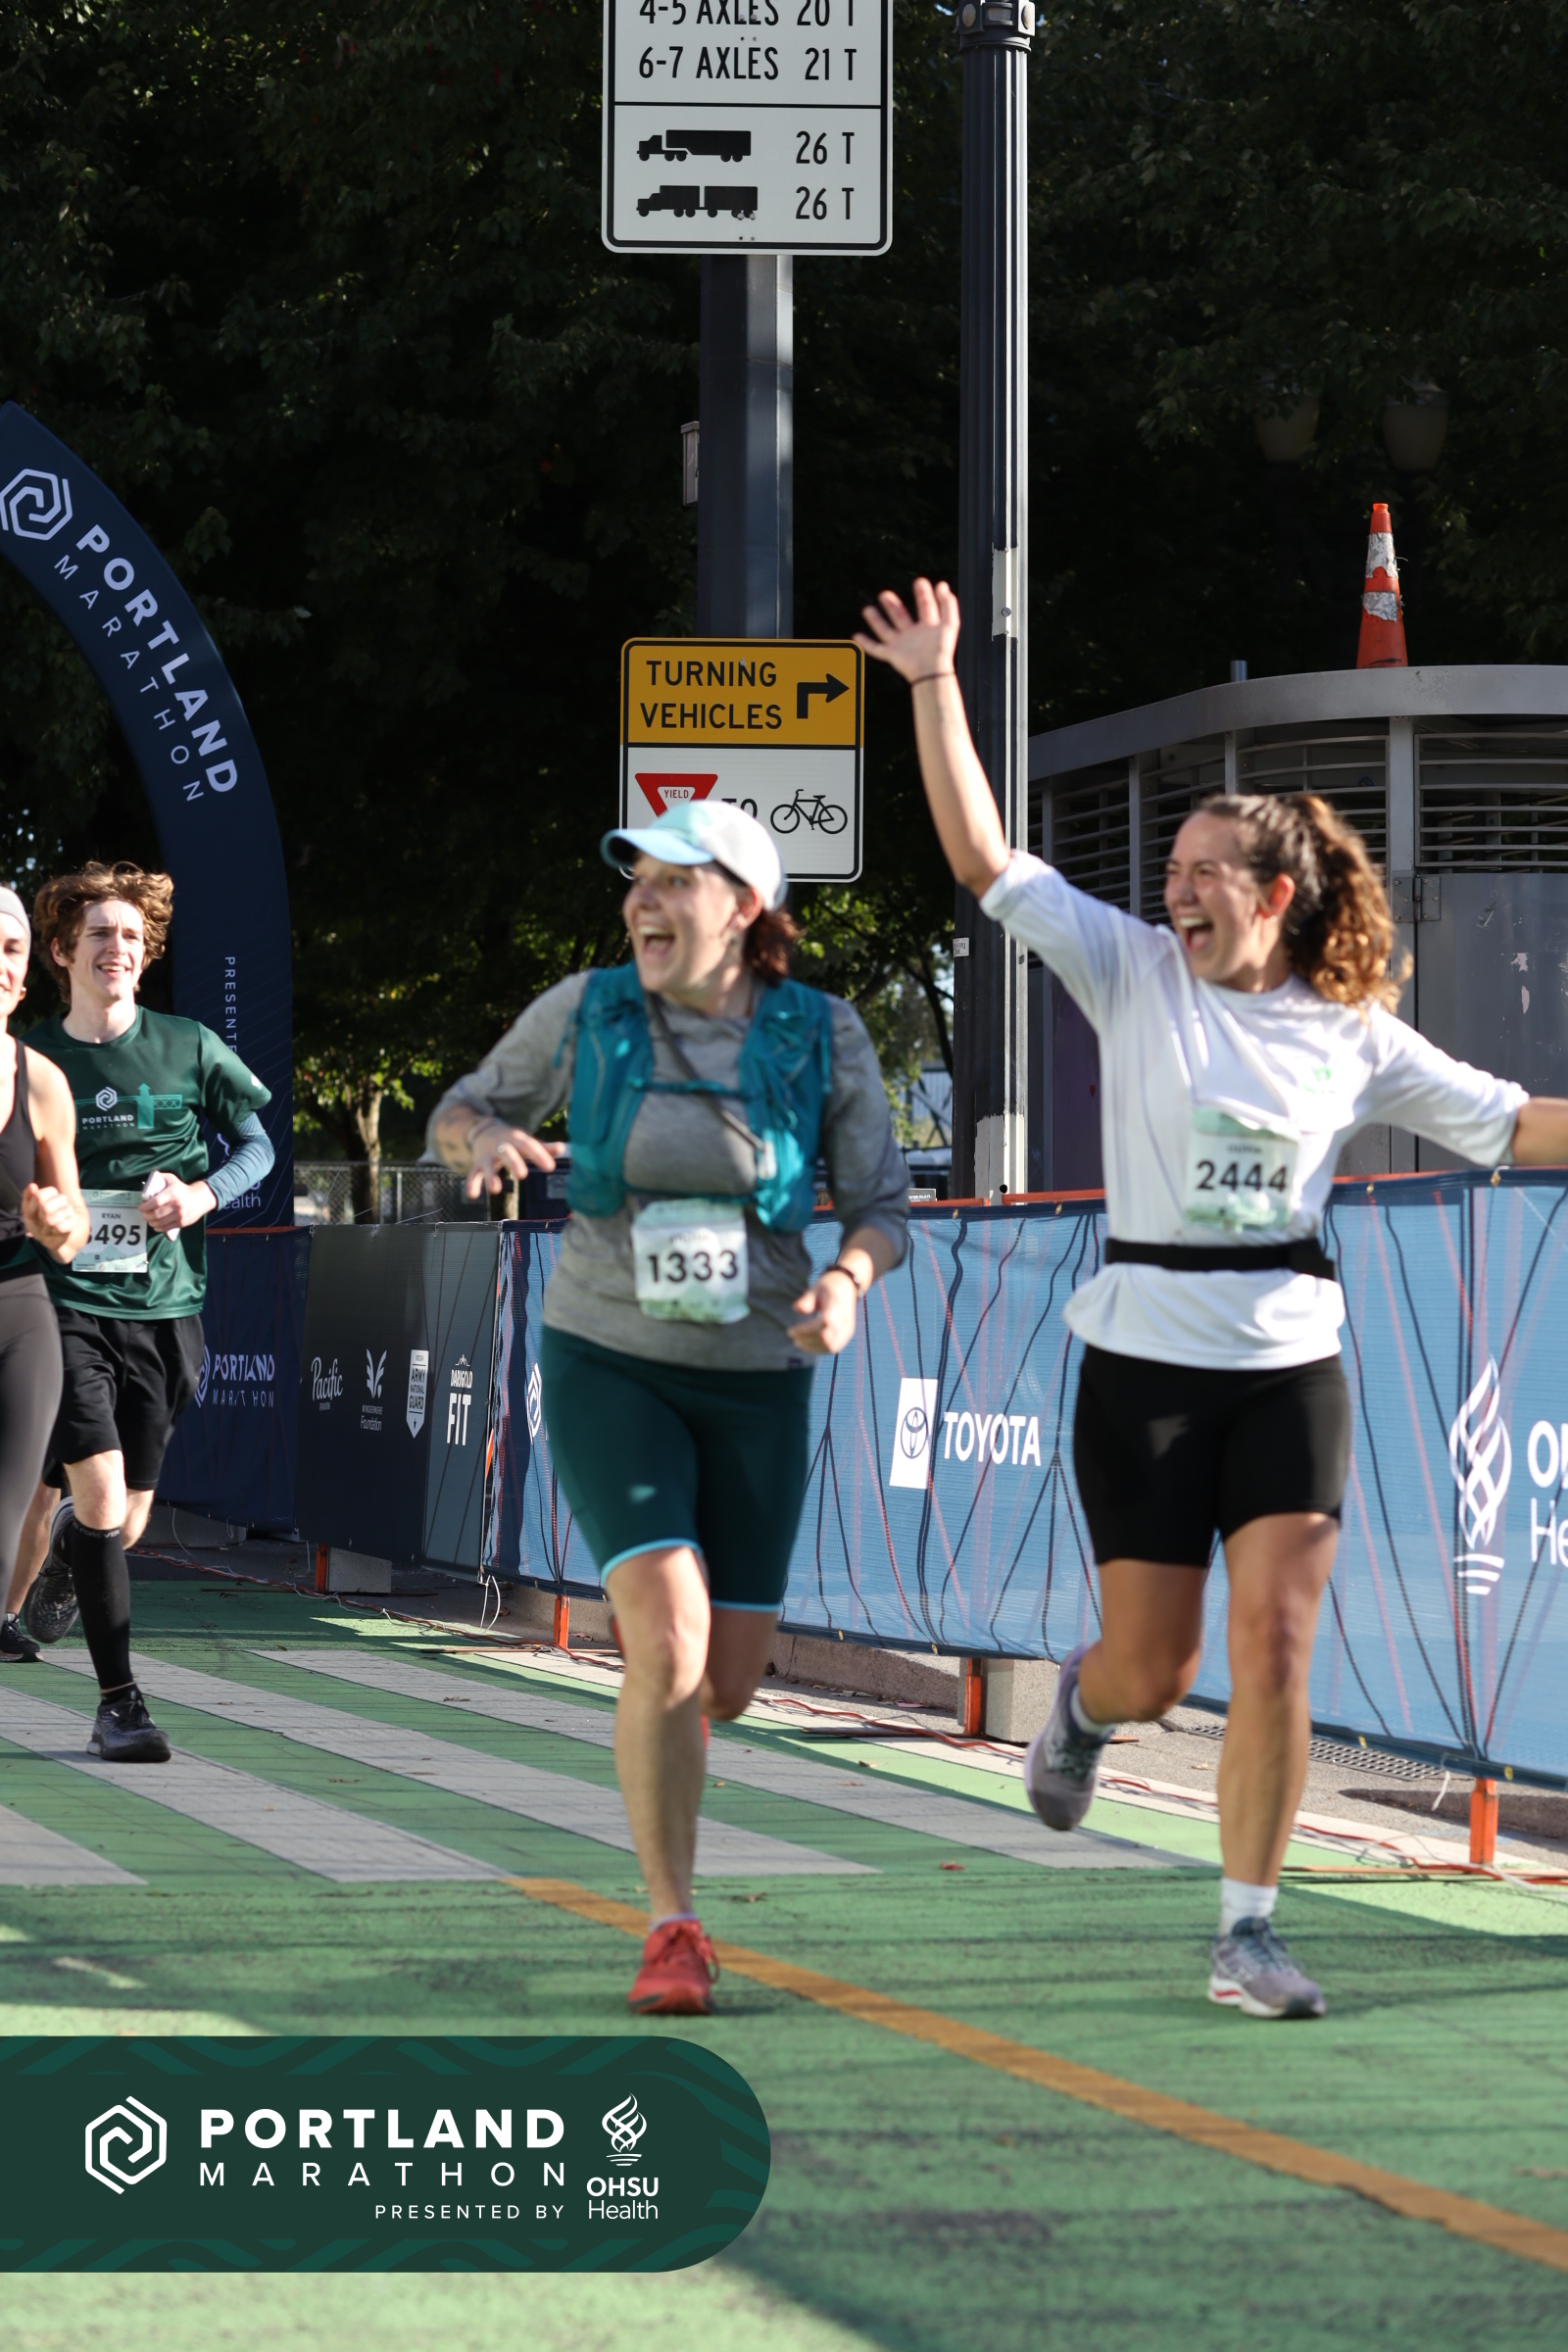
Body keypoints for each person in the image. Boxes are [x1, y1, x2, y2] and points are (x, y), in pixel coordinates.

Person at [857, 576, 1568, 2021]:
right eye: (1170, 869)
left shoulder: (1350, 1033)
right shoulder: (1129, 973)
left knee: (1277, 1646)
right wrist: (933, 682)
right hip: (1143, 1365)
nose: (1172, 889)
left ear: (1274, 897)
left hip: (1292, 1363)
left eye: (1200, 871)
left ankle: (1247, 1931)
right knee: (1154, 1666)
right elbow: (985, 857)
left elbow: (1514, 1126)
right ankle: (1083, 1708)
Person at [429, 801, 908, 2015]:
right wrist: (482, 1137)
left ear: (743, 907)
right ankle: (672, 1924)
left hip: (757, 1374)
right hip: (610, 1355)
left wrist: (847, 1284)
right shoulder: (587, 1011)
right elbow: (459, 1109)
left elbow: (880, 1208)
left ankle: (673, 1786)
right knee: (670, 1642)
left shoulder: (820, 1033)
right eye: (635, 881)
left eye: (673, 882)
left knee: (725, 1683)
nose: (642, 902)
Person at [12, 863, 275, 1762]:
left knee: (123, 1522)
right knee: (97, 1493)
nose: (117, 948)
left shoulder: (189, 1045)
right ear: (62, 952)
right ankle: (119, 1703)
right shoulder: (33, 1059)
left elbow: (257, 1146)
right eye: (99, 934)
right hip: (62, 1302)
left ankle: (68, 1554)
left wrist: (199, 1195)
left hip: (165, 1306)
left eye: (131, 935)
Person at [0, 887, 90, 1664]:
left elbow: (74, 1226)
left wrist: (58, 1224)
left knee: (8, 1510)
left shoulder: (43, 1082)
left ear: (26, 974)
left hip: (19, 1309)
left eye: (10, 950)